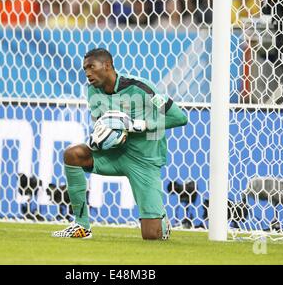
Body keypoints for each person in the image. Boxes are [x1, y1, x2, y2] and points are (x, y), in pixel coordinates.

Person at [52, 48, 188, 240]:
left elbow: (180, 118)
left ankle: (161, 219)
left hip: (144, 160)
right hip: (113, 154)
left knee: (152, 236)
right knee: (73, 154)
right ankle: (81, 225)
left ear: (107, 65)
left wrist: (141, 125)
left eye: (91, 67)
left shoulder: (141, 87)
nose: (88, 73)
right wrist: (99, 137)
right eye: (85, 69)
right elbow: (101, 124)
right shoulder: (92, 91)